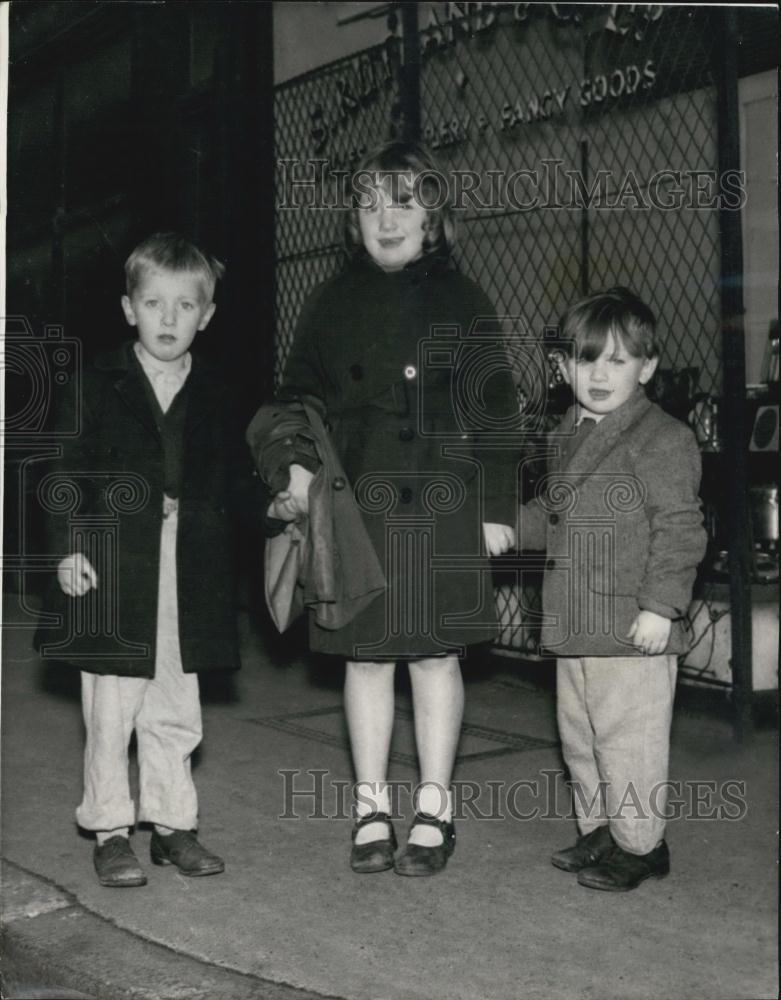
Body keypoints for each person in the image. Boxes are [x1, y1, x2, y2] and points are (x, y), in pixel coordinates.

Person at [258, 141, 519, 876]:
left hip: (443, 498)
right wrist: (296, 471)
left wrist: (497, 507)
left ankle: (434, 805)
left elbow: (496, 406)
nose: (385, 218)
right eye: (369, 204)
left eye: (402, 201)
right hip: (358, 503)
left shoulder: (462, 299)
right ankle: (371, 804)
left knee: (435, 654)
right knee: (366, 659)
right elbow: (294, 401)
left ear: (434, 215)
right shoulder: (330, 300)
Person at [37, 233, 241, 887]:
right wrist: (68, 544)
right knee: (112, 708)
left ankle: (173, 824)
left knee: (176, 704)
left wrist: (282, 510)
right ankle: (110, 829)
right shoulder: (98, 381)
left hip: (187, 564)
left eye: (185, 306)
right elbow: (63, 471)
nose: (169, 319)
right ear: (130, 308)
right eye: (154, 303)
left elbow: (232, 477)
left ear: (206, 316)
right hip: (112, 565)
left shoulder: (213, 390)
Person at [518, 287, 707, 891]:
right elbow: (553, 510)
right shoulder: (568, 431)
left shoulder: (664, 438)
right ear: (562, 366)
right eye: (584, 359)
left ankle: (642, 844)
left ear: (647, 367)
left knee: (630, 740)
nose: (598, 375)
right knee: (581, 739)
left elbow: (680, 529)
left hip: (632, 627)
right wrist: (503, 528)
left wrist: (661, 607)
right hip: (576, 622)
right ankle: (600, 829)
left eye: (617, 361)